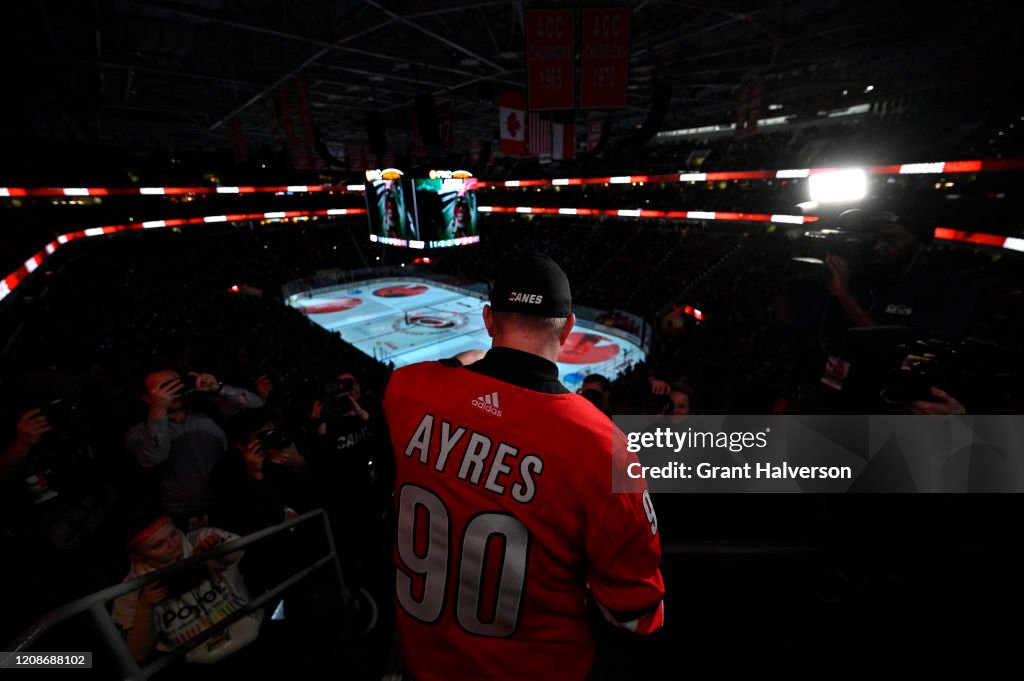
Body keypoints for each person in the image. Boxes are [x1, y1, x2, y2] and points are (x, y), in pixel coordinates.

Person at [383, 252, 665, 681]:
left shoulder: (407, 392)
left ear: (488, 320)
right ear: (569, 329)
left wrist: (466, 363)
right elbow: (636, 615)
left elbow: (441, 378)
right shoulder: (601, 445)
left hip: (424, 663)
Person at [111, 513, 261, 665]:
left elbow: (238, 549)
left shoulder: (198, 539)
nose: (173, 544)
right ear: (137, 556)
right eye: (158, 544)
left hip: (252, 634)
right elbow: (138, 653)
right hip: (200, 662)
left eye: (173, 533)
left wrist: (213, 550)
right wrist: (145, 608)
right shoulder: (130, 590)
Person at [124, 370, 264, 525]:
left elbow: (257, 406)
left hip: (231, 498)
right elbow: (153, 457)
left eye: (177, 384)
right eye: (164, 388)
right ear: (147, 397)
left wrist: (218, 388)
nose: (173, 391)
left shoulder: (208, 409)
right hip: (186, 515)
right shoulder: (140, 431)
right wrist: (159, 409)